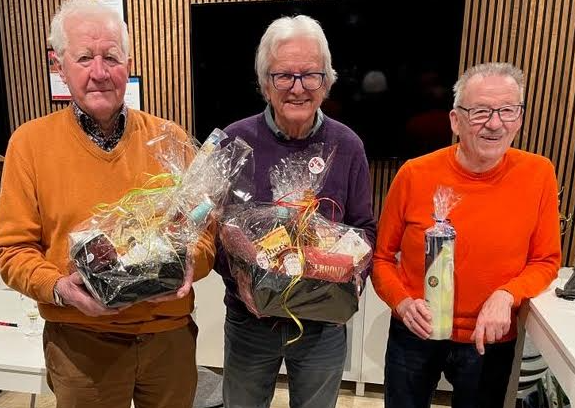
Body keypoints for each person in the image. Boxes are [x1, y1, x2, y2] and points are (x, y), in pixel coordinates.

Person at [0, 1, 215, 407]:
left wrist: (189, 263)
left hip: (167, 337)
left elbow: (204, 236)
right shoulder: (28, 145)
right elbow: (12, 251)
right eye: (84, 58)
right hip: (80, 344)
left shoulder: (169, 139)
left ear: (127, 65)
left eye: (111, 57)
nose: (99, 72)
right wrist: (59, 288)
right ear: (59, 66)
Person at [371, 61, 561, 408]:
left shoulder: (539, 174)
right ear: (455, 120)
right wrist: (402, 302)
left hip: (490, 338)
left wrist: (507, 295)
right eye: (481, 111)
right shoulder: (414, 174)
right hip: (415, 332)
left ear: (519, 118)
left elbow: (546, 260)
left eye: (507, 110)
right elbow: (381, 259)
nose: (495, 123)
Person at [214, 15, 377, 408]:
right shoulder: (234, 141)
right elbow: (211, 229)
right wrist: (243, 274)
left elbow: (364, 229)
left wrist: (348, 271)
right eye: (284, 75)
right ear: (265, 83)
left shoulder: (347, 145)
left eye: (310, 75)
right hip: (250, 321)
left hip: (323, 321)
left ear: (327, 81)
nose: (298, 87)